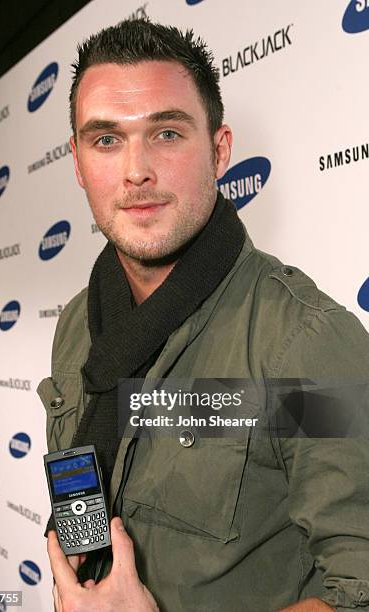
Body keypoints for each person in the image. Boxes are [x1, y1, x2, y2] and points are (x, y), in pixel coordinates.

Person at [39, 18, 369, 612]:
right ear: (78, 162)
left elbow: (358, 587)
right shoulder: (76, 326)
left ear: (219, 151)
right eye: (107, 139)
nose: (136, 170)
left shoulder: (301, 344)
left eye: (166, 133)